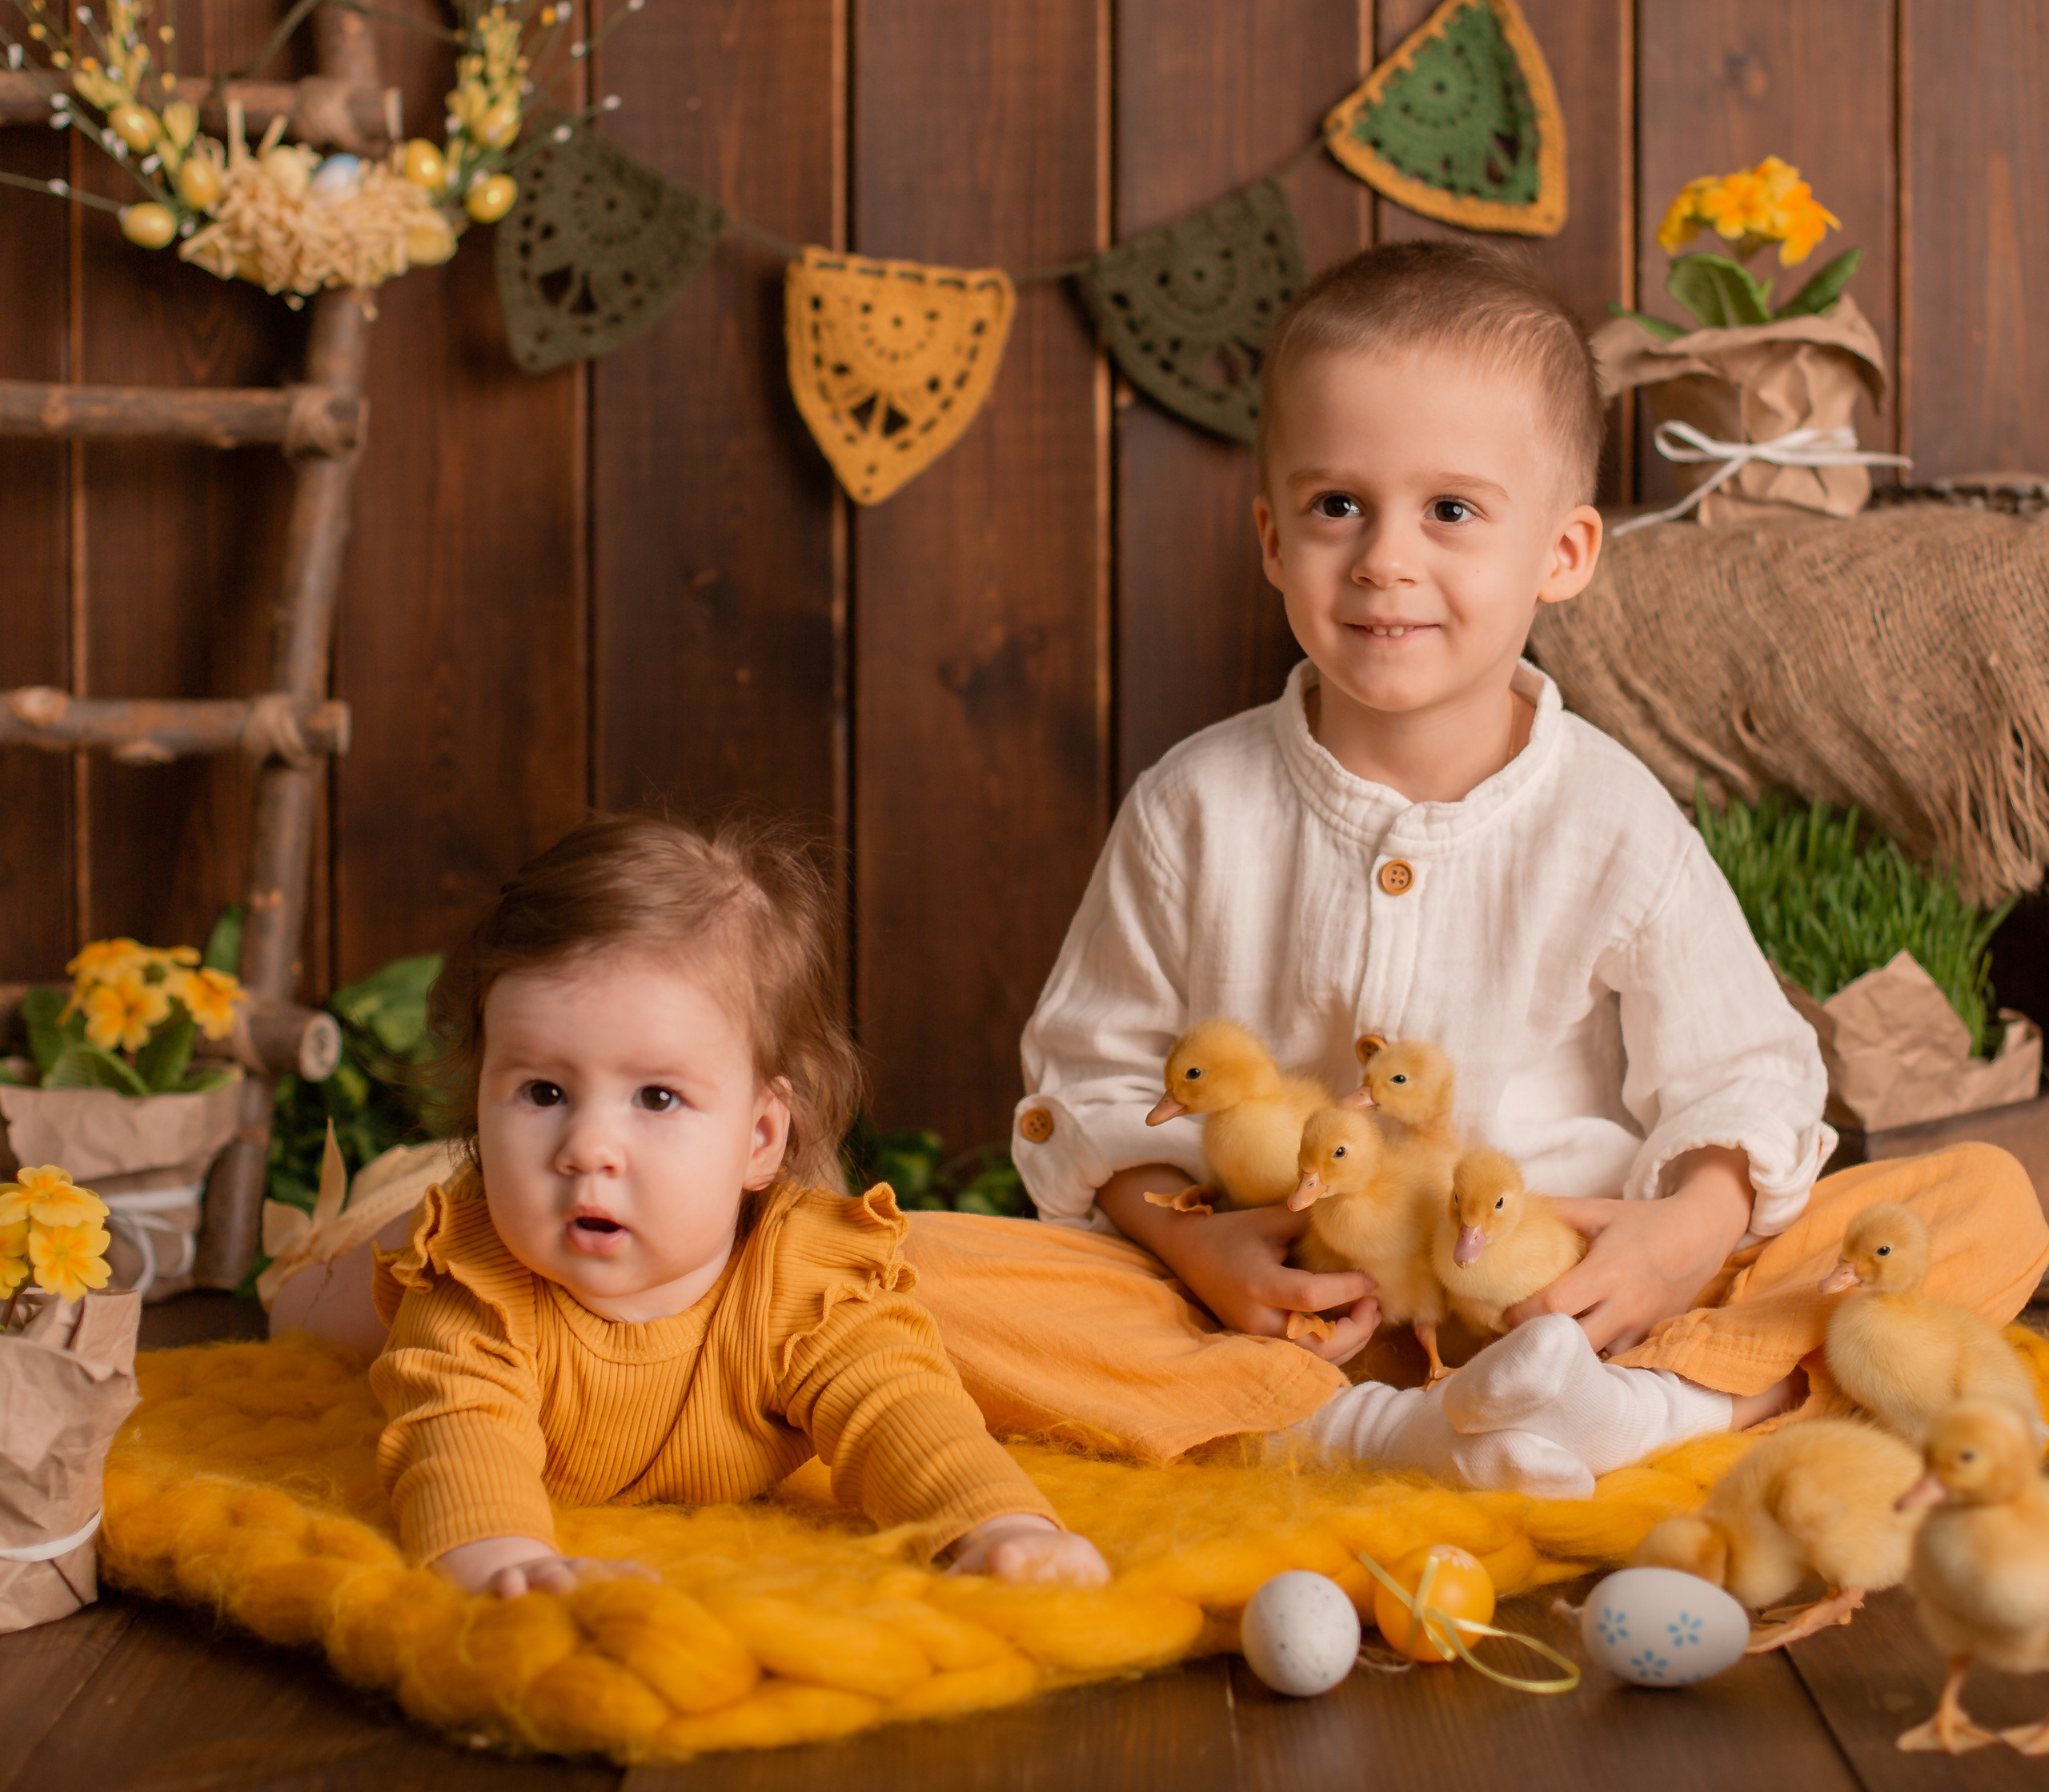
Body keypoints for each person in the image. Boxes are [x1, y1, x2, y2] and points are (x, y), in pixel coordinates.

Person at [900, 240, 2045, 1497]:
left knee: (1987, 1200)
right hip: (1289, 1312)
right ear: (1273, 537)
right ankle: (1364, 1433)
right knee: (902, 1277)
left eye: (1450, 511)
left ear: (1563, 553)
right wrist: (1194, 1244)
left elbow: (1745, 1073)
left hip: (1564, 1298)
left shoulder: (1613, 817)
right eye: (1339, 506)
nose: (1384, 559)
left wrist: (1682, 1237)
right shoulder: (1195, 809)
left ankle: (1655, 1405)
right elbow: (1093, 1073)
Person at [367, 812, 1109, 1596]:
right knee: (325, 1297)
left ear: (759, 1137)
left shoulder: (807, 1289)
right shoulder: (471, 1288)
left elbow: (902, 1407)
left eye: (656, 1097)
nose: (587, 1148)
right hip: (394, 1233)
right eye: (543, 1092)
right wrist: (504, 1562)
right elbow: (455, 1436)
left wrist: (1000, 1527)